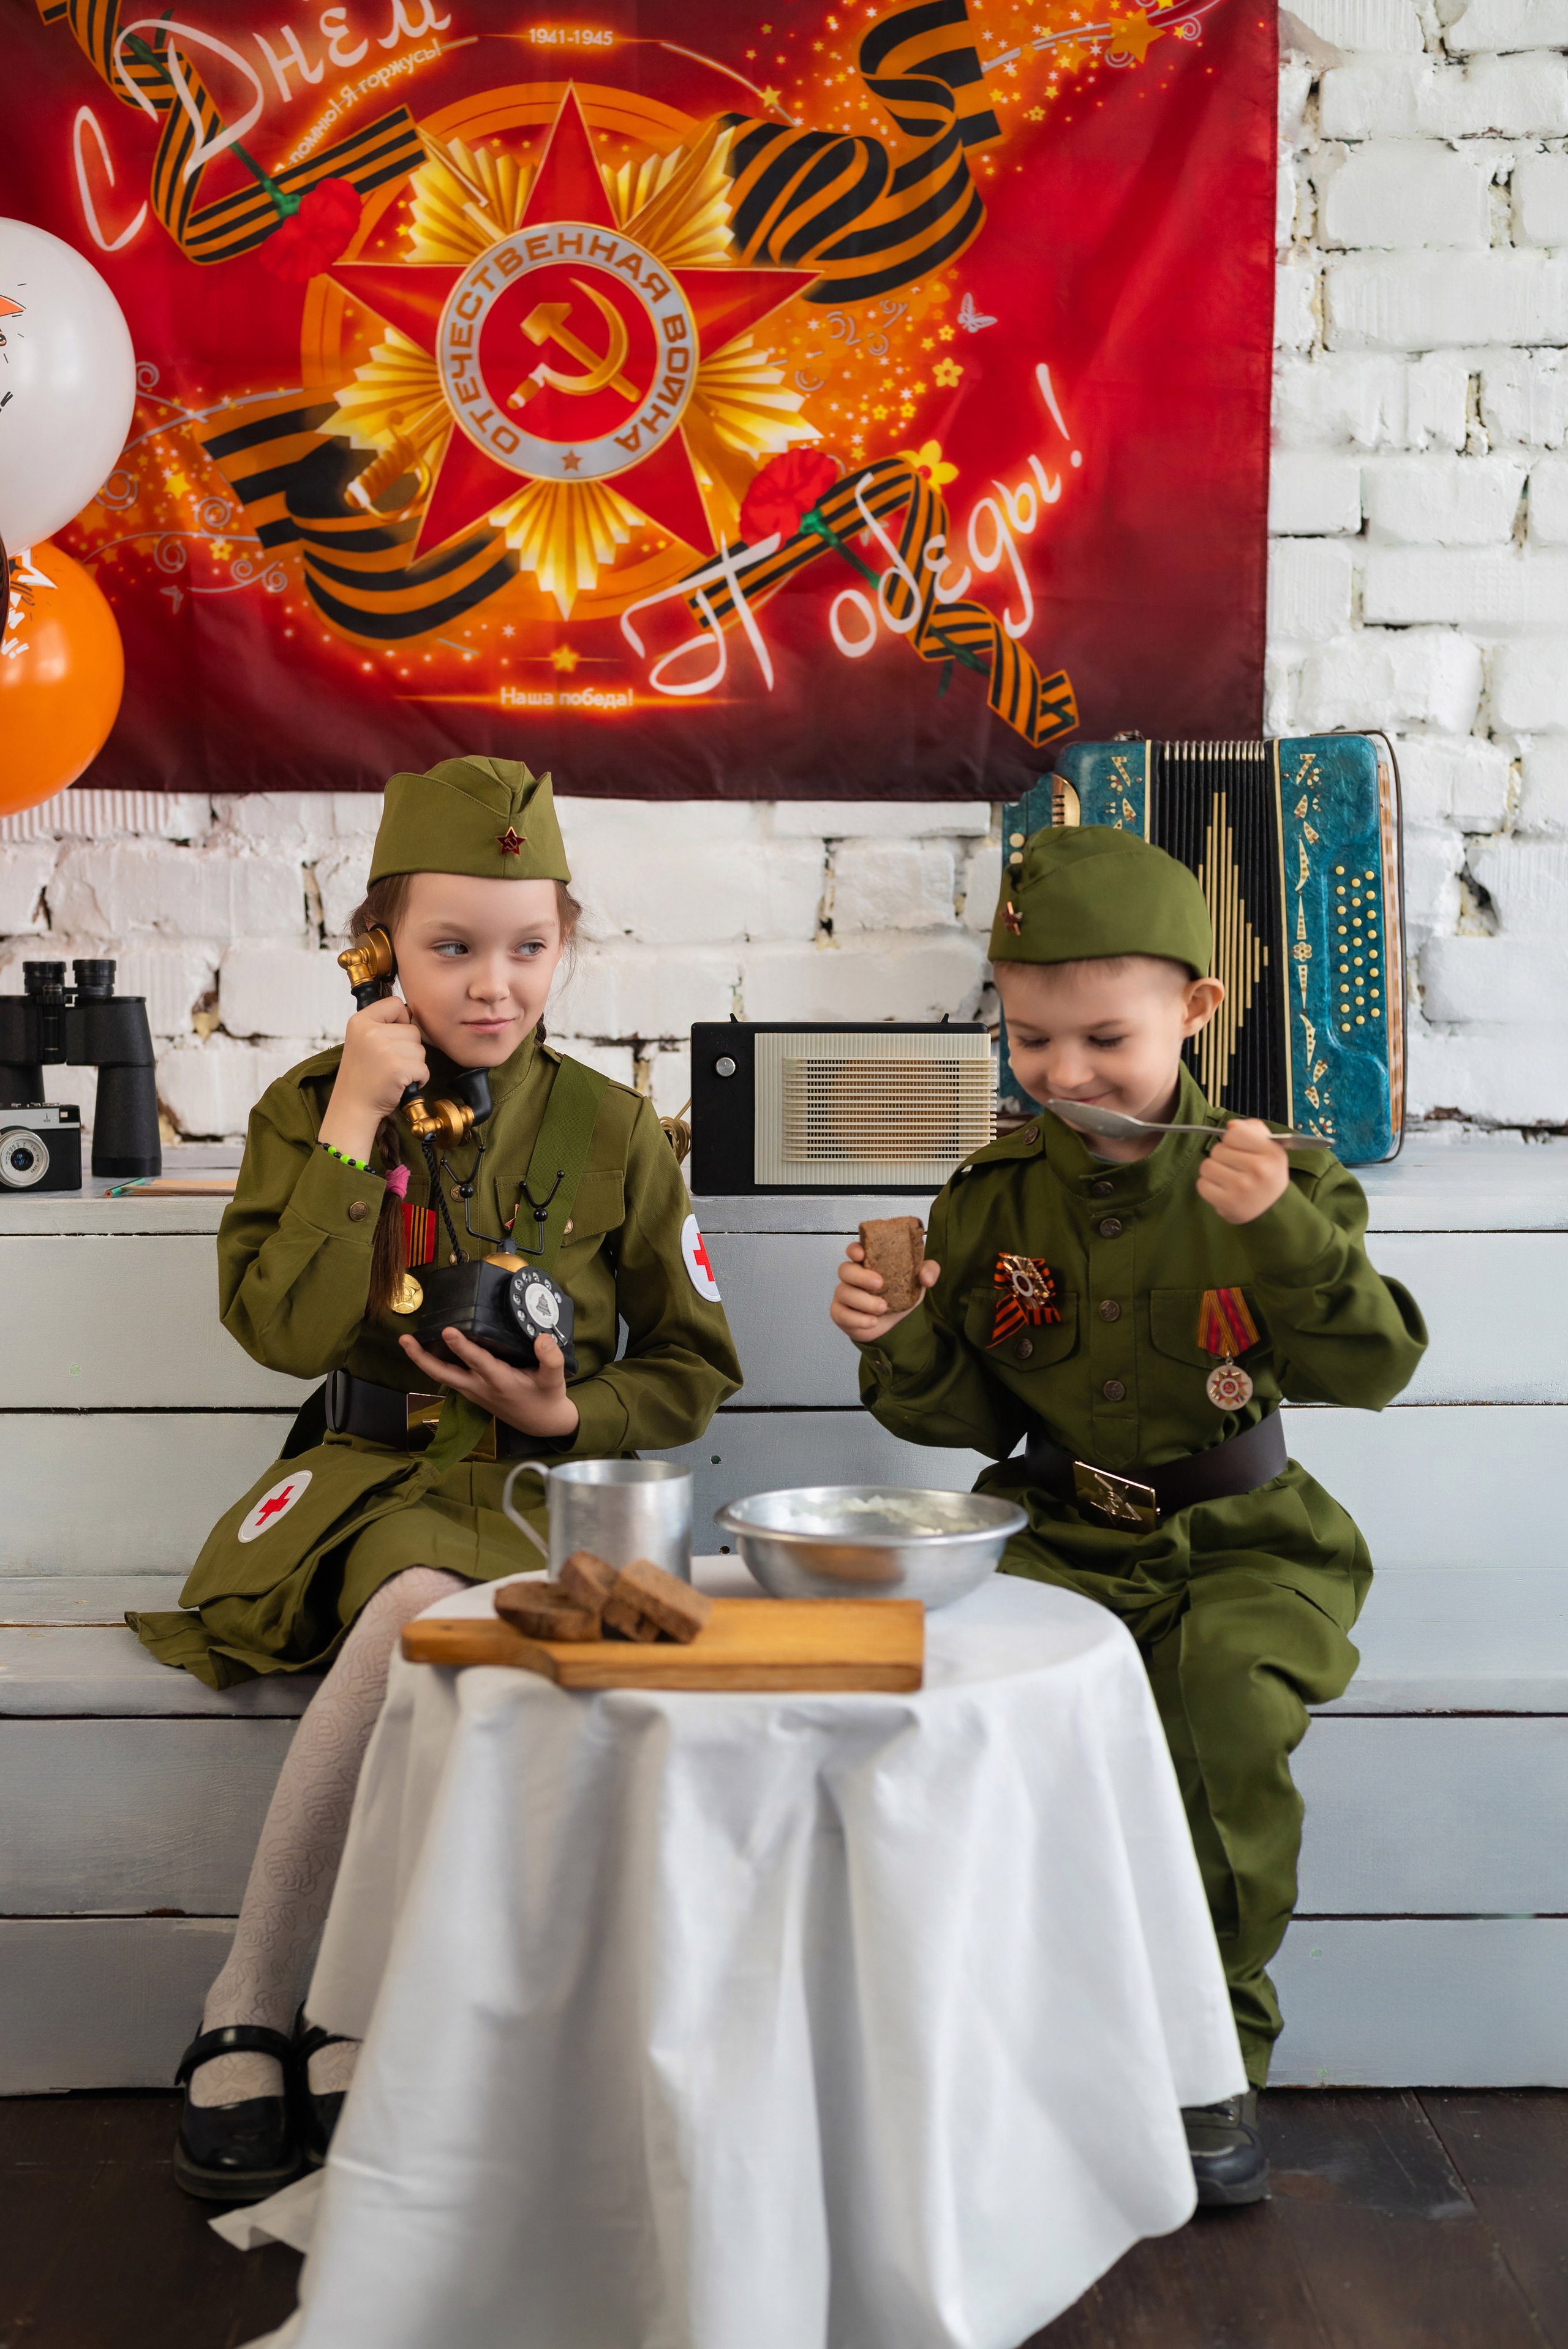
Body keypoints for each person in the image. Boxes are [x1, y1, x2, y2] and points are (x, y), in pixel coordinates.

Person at [130, 757, 741, 2203]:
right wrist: (351, 1120)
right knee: (411, 1586)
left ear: (564, 944)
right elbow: (280, 1330)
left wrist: (565, 1402)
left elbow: (695, 1364)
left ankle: (332, 2009)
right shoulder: (309, 1107)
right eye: (451, 947)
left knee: (443, 1612)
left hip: (546, 1495)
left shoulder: (613, 1132)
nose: (492, 984)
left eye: (526, 946)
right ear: (380, 951)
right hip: (370, 1485)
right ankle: (271, 1996)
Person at [829, 824, 1426, 2206]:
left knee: (1221, 1712)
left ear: (1193, 1011)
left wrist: (1280, 1230)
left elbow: (1375, 1366)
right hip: (1049, 1533)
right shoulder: (990, 1200)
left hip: (1242, 1540)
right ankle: (995, 2042)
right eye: (1030, 1040)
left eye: (1102, 1036)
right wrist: (901, 1331)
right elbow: (970, 1419)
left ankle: (1211, 2058)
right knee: (954, 1711)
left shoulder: (1275, 1175)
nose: (1064, 1074)